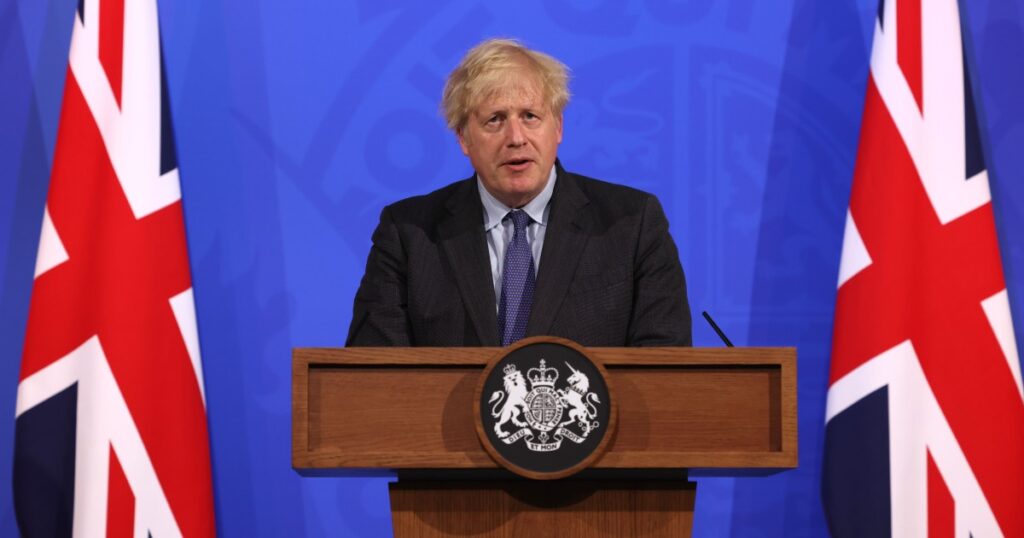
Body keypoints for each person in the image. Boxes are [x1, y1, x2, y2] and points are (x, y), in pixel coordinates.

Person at [346, 38, 691, 347]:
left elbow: (664, 371)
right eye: (494, 119)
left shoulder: (632, 225)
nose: (516, 137)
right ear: (463, 138)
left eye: (530, 116)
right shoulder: (409, 234)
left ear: (558, 127)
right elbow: (373, 378)